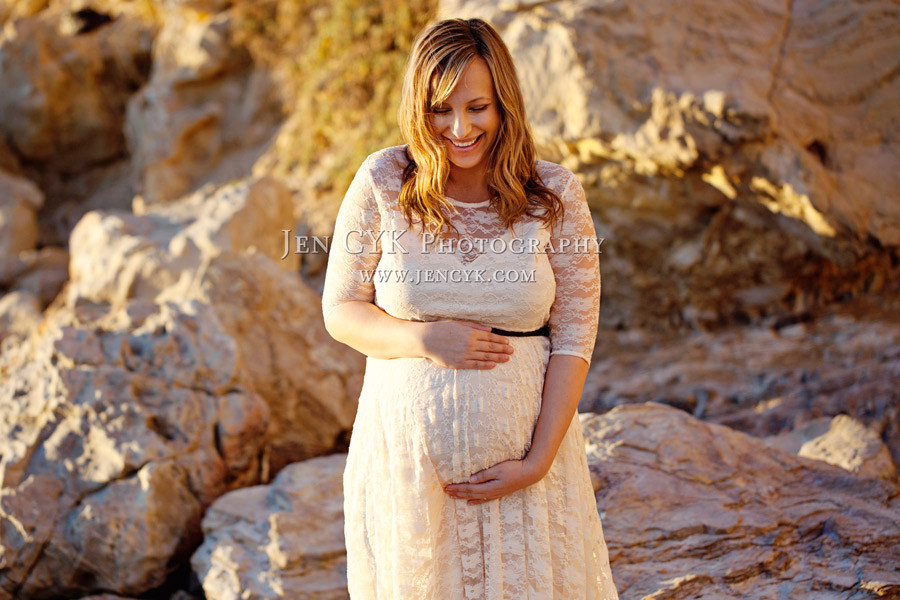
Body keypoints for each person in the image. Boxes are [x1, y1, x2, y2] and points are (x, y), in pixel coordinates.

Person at [321, 17, 619, 600]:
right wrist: (424, 339)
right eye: (441, 110)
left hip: (527, 474)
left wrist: (536, 462)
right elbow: (341, 309)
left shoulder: (554, 194)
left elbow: (577, 333)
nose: (459, 128)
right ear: (419, 108)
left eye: (477, 107)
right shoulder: (384, 179)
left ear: (504, 102)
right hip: (409, 469)